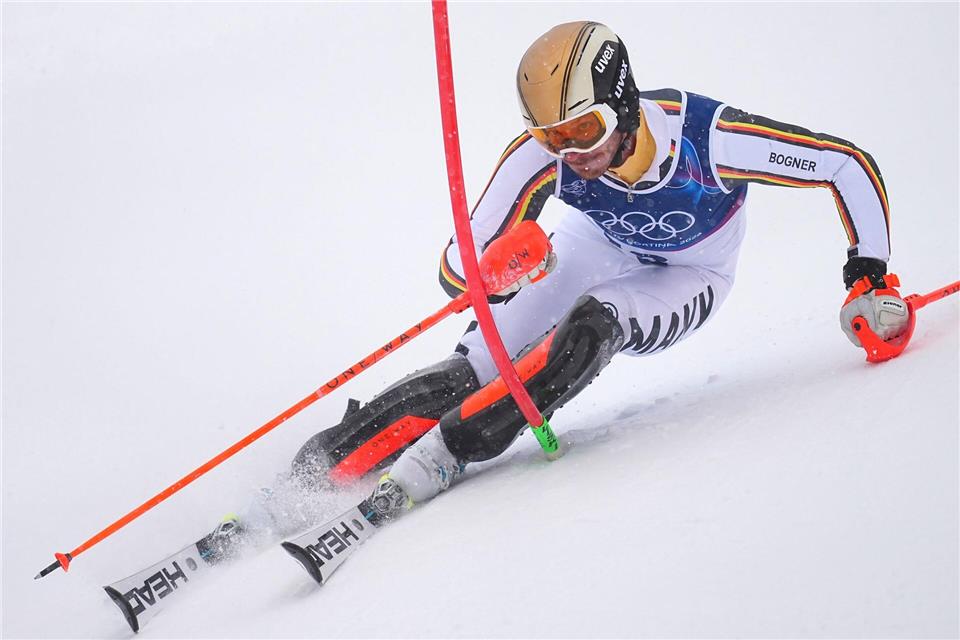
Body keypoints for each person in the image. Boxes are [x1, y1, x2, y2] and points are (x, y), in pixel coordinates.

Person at [203, 20, 909, 554]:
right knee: (469, 367)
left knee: (592, 326)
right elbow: (456, 270)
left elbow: (845, 164)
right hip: (591, 243)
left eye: (584, 127)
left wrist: (867, 278)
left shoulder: (710, 138)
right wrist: (499, 264)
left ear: (624, 102)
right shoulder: (548, 159)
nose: (572, 151)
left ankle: (446, 455)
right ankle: (300, 484)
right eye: (551, 137)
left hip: (692, 271)